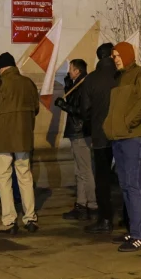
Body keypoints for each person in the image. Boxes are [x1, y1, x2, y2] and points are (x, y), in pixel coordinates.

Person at [103, 41, 141, 252]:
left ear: (127, 54)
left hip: (133, 137)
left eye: (117, 55)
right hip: (119, 138)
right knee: (125, 185)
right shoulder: (120, 78)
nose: (114, 59)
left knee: (133, 185)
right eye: (113, 56)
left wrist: (128, 122)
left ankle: (139, 235)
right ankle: (133, 230)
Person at [0, 52, 39, 234]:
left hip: (3, 138)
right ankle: (30, 218)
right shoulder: (28, 83)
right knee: (25, 175)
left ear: (0, 68)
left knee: (4, 178)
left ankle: (9, 220)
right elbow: (36, 108)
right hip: (23, 136)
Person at [82, 43, 118, 234]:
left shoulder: (92, 79)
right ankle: (128, 217)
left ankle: (105, 218)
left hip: (100, 134)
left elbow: (85, 109)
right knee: (126, 177)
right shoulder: (120, 76)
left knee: (102, 179)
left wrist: (92, 125)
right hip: (120, 133)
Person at [53, 59, 95, 220]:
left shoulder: (84, 84)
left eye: (70, 69)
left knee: (85, 170)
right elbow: (72, 99)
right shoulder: (77, 83)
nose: (69, 72)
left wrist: (64, 106)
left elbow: (81, 110)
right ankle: (81, 203)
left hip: (80, 131)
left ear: (77, 71)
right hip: (77, 131)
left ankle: (91, 204)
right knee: (79, 171)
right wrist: (67, 83)